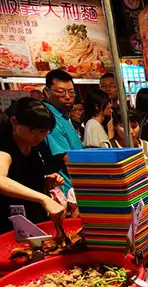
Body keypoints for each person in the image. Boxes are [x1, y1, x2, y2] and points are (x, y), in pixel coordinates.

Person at [0, 98, 65, 232]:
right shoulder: (4, 148)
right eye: (36, 130)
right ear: (14, 122)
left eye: (46, 131)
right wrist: (43, 199)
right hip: (10, 225)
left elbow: (22, 178)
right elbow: (1, 180)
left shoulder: (33, 145)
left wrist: (46, 181)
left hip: (34, 220)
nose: (41, 136)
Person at [39, 69, 82, 198]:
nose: (67, 96)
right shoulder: (50, 118)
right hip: (66, 191)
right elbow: (66, 158)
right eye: (61, 92)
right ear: (47, 92)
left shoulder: (62, 116)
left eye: (71, 92)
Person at [108, 108, 148, 183]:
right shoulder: (108, 147)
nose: (131, 131)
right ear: (115, 126)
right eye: (124, 127)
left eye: (134, 126)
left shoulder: (146, 145)